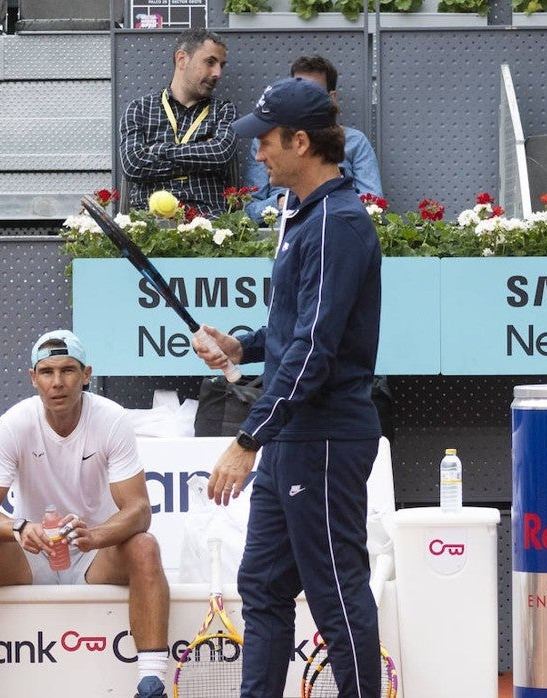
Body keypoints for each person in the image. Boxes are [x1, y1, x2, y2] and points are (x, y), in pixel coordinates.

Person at [192, 77, 383, 698]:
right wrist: (241, 347)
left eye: (267, 140)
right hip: (296, 438)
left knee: (335, 592)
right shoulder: (307, 219)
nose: (258, 153)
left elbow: (315, 350)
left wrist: (248, 440)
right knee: (265, 587)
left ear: (301, 142)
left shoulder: (336, 223)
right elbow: (291, 328)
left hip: (322, 438)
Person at [0, 330, 171, 698]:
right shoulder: (15, 422)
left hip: (94, 556)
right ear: (33, 378)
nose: (57, 383)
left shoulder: (111, 419)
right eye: (46, 372)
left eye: (68, 370)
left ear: (87, 374)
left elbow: (139, 511)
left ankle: (152, 685)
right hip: (33, 557)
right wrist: (20, 528)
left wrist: (96, 535)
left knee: (144, 546)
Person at [242, 55, 383, 225]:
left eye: (312, 93)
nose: (260, 156)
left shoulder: (355, 141)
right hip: (276, 234)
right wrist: (283, 202)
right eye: (295, 92)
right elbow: (249, 210)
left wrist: (318, 204)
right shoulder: (263, 142)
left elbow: (374, 206)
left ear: (331, 98)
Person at [119, 28, 237, 217]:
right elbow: (133, 166)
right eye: (210, 62)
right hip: (150, 222)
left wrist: (157, 150)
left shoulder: (223, 110)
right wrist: (199, 153)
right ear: (182, 59)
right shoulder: (140, 109)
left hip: (208, 221)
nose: (218, 73)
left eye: (221, 65)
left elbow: (220, 153)